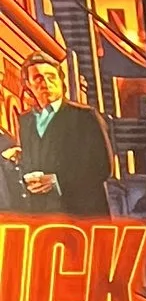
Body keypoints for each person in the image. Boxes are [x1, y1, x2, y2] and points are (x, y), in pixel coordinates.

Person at [14, 59, 112, 218]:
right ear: (28, 84)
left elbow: (102, 167)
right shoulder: (26, 121)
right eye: (38, 78)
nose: (45, 82)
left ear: (61, 80)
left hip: (82, 216)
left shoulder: (85, 116)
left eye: (51, 77)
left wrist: (56, 180)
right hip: (42, 218)